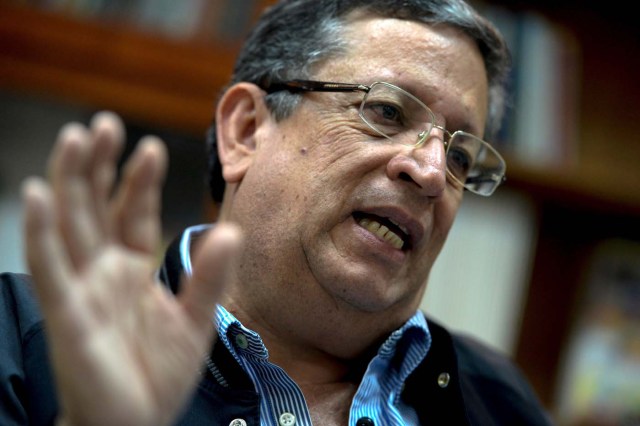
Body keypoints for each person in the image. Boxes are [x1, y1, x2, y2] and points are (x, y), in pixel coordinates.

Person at [0, 0, 555, 424]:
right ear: (245, 131)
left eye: (459, 154)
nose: (432, 172)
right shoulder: (26, 339)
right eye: (386, 111)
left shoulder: (500, 400)